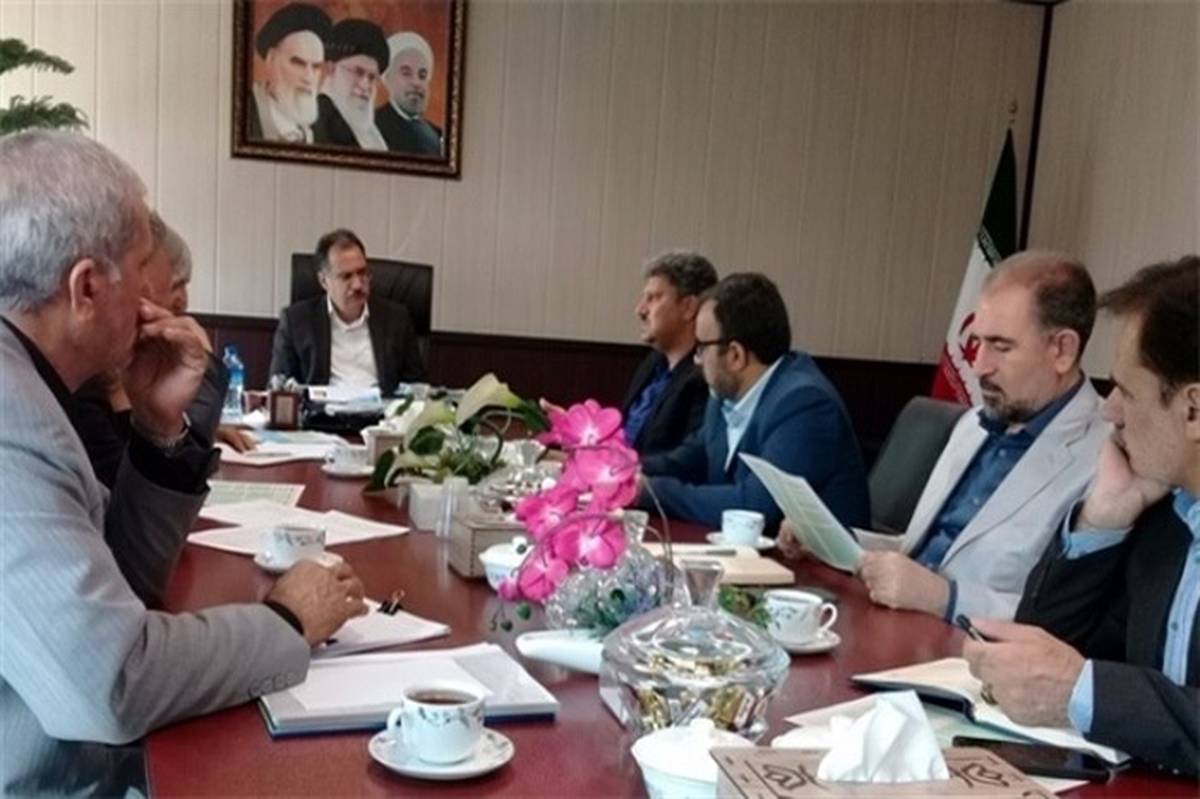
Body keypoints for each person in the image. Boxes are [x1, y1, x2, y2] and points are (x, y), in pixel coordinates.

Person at [0, 130, 368, 796]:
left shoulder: (29, 382)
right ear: (87, 287)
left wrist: (157, 431)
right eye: (143, 263)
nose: (160, 295)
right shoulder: (10, 418)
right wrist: (285, 620)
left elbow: (122, 586)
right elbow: (113, 683)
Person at [964, 255, 1199, 776]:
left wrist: (1087, 691)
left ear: (1193, 410)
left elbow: (1078, 684)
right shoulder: (1167, 519)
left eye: (1126, 391)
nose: (1109, 410)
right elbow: (1045, 649)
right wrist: (1101, 521)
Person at [782, 252, 1107, 621]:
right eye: (977, 342)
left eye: (1001, 346)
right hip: (896, 624)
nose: (979, 366)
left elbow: (1070, 621)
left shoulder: (1104, 459)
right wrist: (831, 541)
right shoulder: (973, 424)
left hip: (970, 649)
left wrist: (945, 597)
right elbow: (920, 554)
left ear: (1062, 350)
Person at [639, 272, 870, 531]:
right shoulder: (725, 395)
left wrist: (653, 492)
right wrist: (626, 469)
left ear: (735, 355)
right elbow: (689, 459)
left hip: (815, 557)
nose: (697, 361)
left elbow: (754, 506)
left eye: (701, 348)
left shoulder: (804, 405)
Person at [73, 212, 256, 489]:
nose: (182, 302)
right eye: (174, 284)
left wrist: (175, 428)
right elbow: (135, 505)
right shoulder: (79, 384)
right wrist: (205, 385)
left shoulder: (111, 375)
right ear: (88, 284)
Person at [269, 228, 425, 391]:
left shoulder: (397, 319)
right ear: (324, 281)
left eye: (362, 273)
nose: (358, 285)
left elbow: (416, 389)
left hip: (381, 406)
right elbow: (279, 388)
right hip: (322, 407)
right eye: (346, 276)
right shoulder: (296, 321)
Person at [248, 2, 330, 144]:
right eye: (298, 63)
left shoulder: (324, 127)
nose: (309, 78)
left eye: (316, 67)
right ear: (271, 60)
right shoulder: (247, 113)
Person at [313, 18, 389, 151]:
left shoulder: (369, 131)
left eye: (372, 77)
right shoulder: (318, 118)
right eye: (358, 72)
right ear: (331, 68)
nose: (365, 85)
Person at [375, 31, 443, 156]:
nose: (416, 83)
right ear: (388, 79)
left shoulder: (438, 135)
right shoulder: (372, 127)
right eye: (406, 73)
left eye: (422, 76)